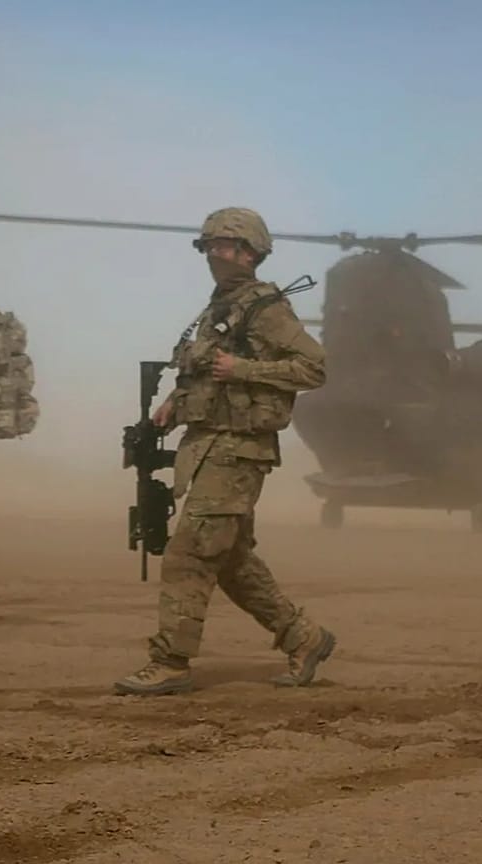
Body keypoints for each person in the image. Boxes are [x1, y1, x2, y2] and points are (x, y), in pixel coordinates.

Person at [115, 206, 337, 696]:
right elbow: (204, 372)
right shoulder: (220, 309)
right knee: (230, 560)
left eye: (226, 246)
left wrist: (244, 371)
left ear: (251, 253)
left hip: (238, 450)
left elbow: (314, 367)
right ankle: (305, 637)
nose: (216, 255)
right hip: (208, 444)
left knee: (189, 554)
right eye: (209, 246)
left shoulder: (267, 308)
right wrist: (176, 401)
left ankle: (170, 660)